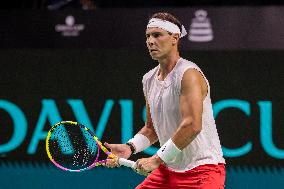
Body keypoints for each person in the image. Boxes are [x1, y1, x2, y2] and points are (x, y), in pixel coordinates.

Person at [104, 12, 226, 189]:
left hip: (203, 171)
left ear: (174, 38)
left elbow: (192, 125)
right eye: (147, 36)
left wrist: (156, 159)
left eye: (157, 35)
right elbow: (151, 129)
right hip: (169, 172)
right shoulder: (149, 79)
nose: (150, 41)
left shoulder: (188, 74)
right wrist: (130, 147)